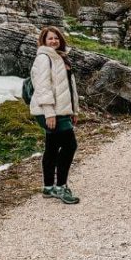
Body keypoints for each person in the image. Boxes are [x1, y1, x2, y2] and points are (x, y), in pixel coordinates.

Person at [29, 25, 80, 204]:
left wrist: (74, 111)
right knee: (70, 146)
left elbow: (69, 87)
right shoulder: (44, 58)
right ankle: (61, 187)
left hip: (62, 110)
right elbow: (43, 87)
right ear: (43, 41)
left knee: (51, 147)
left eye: (56, 38)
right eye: (50, 38)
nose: (54, 41)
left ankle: (49, 187)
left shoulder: (61, 58)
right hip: (51, 111)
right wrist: (49, 113)